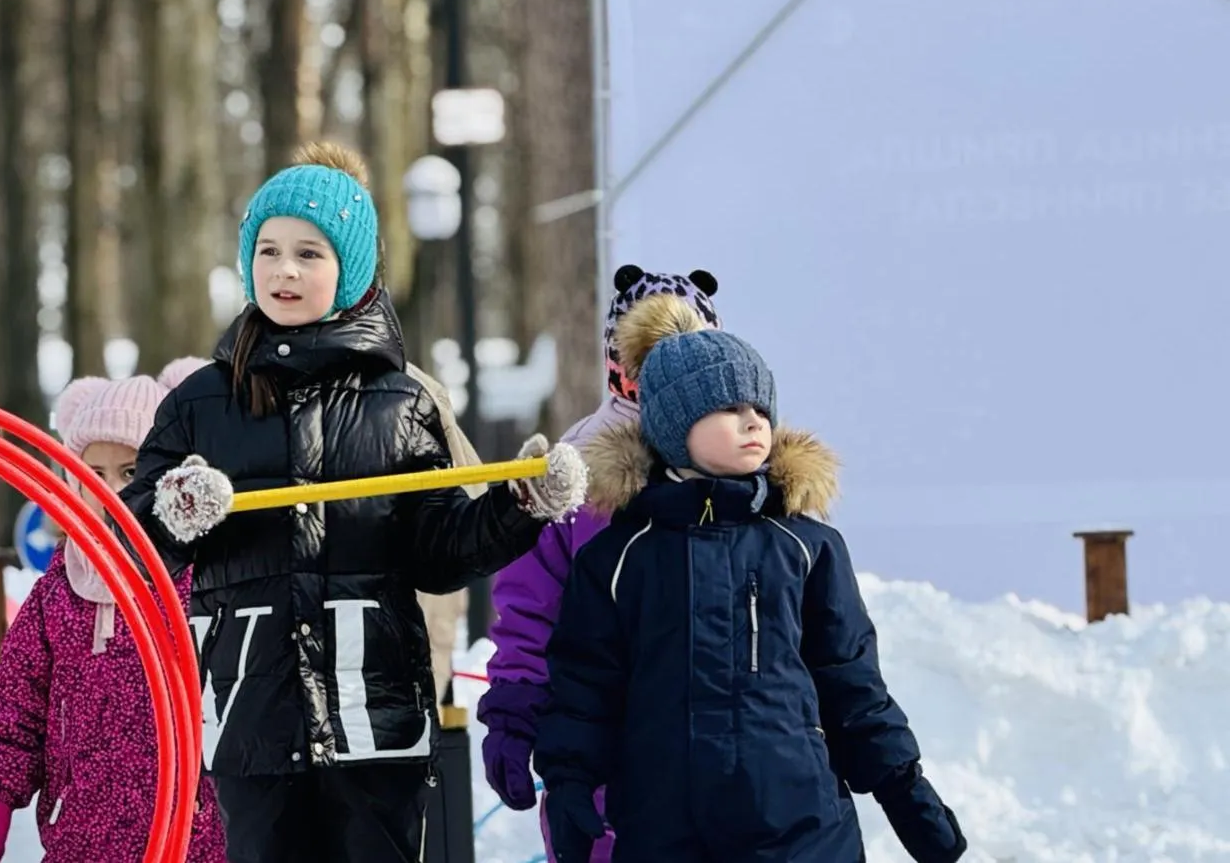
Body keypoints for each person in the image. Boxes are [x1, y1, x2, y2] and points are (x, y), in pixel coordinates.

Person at [122, 141, 588, 863]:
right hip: (254, 720)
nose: (283, 269)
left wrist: (518, 504)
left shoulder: (402, 403)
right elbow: (132, 538)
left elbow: (439, 550)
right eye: (268, 249)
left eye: (309, 253)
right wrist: (173, 512)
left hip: (376, 719)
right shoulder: (199, 404)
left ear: (352, 268)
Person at [535, 295, 966, 863]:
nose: (753, 422)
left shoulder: (806, 548)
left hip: (801, 829)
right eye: (728, 407)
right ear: (675, 424)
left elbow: (851, 681)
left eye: (761, 409)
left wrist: (904, 788)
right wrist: (568, 782)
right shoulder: (620, 558)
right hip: (668, 830)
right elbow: (584, 686)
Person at [479, 265, 721, 862]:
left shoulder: (741, 460)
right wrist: (514, 711)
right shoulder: (577, 467)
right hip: (611, 745)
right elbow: (529, 610)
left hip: (726, 750)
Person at [0, 359, 228, 863]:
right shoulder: (59, 591)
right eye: (93, 474)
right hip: (79, 835)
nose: (109, 492)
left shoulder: (202, 583)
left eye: (130, 472)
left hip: (191, 835)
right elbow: (19, 701)